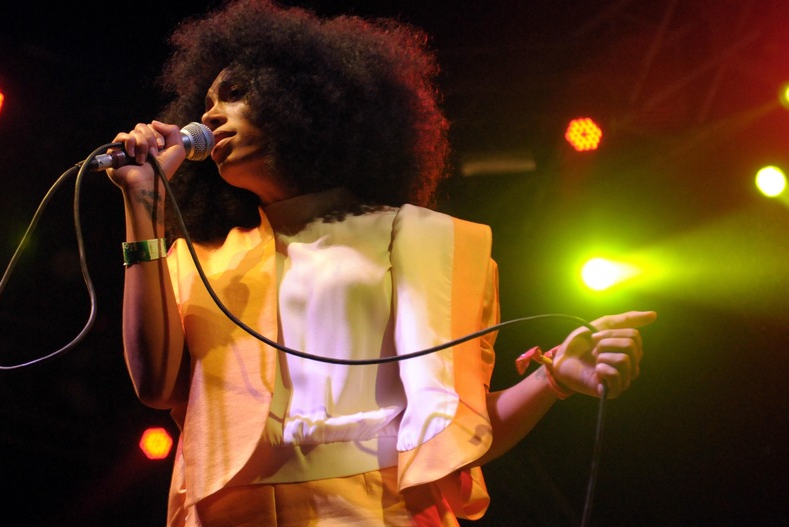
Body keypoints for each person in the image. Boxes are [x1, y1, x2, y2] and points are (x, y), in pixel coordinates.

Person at [106, 1, 657, 525]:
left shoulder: (421, 238)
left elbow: (455, 430)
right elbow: (154, 386)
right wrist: (143, 204)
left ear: (304, 101)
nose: (209, 114)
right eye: (205, 102)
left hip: (379, 512)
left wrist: (553, 379)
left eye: (234, 93)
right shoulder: (195, 258)